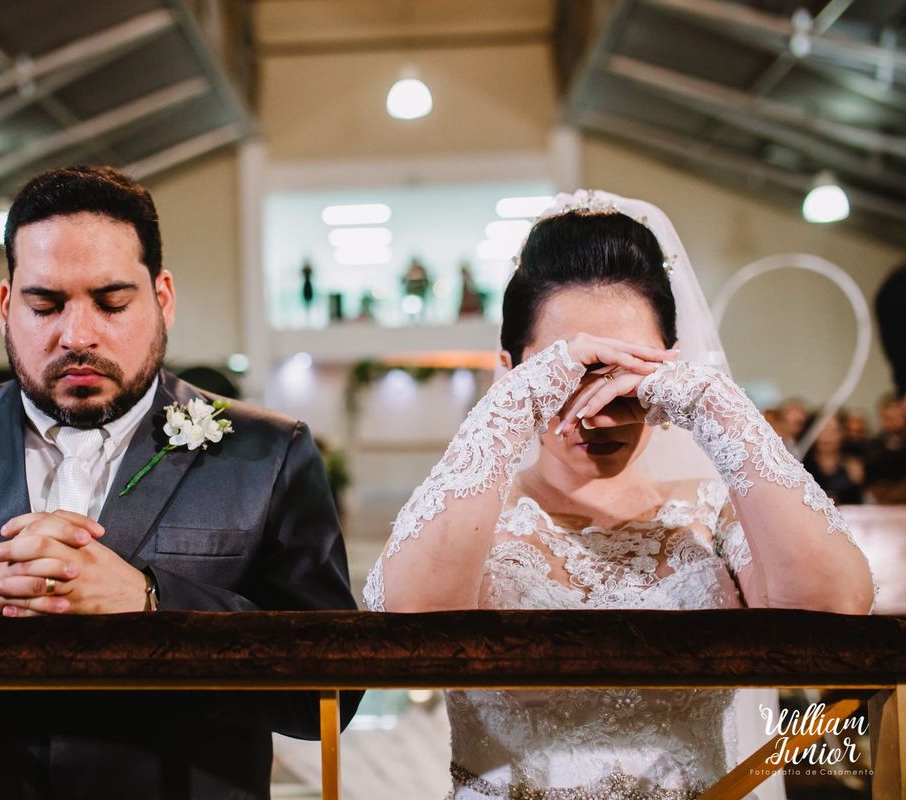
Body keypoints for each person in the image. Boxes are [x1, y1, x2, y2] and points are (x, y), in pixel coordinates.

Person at [0, 165, 358, 799]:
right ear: (7, 305)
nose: (77, 335)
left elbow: (333, 692)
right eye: (45, 305)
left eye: (112, 301)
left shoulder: (268, 453)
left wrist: (155, 605)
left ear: (164, 298)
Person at [365, 191, 875, 800]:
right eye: (570, 376)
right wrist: (514, 405)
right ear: (513, 372)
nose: (598, 414)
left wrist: (713, 404)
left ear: (669, 369)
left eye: (625, 377)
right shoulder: (473, 518)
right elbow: (412, 622)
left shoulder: (710, 513)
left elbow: (834, 608)